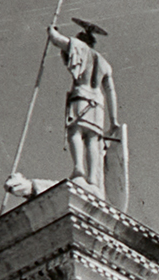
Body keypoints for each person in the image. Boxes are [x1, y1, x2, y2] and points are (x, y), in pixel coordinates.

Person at [45, 19, 119, 187]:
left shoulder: (79, 47)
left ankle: (79, 169)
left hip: (81, 96)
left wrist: (51, 30)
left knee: (75, 132)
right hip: (98, 103)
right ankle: (92, 177)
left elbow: (57, 40)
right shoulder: (105, 64)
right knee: (92, 138)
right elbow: (111, 92)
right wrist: (113, 120)